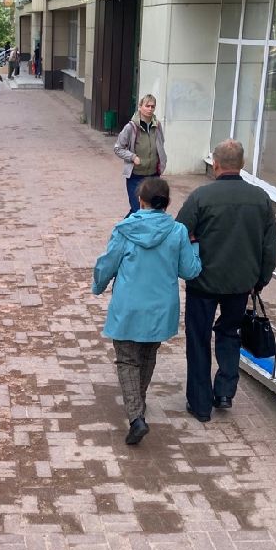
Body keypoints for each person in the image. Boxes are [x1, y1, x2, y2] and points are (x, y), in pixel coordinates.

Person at [175, 139, 276, 423]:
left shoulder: (201, 197)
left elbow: (179, 233)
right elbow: (271, 247)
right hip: (241, 283)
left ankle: (199, 404)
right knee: (229, 332)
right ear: (242, 165)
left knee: (198, 339)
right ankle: (224, 391)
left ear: (216, 164)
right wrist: (260, 280)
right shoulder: (260, 198)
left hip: (203, 282)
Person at [92, 178, 201, 445]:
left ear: (140, 201)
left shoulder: (124, 230)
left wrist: (98, 285)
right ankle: (137, 405)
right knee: (148, 354)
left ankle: (136, 416)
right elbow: (190, 271)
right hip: (161, 308)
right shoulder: (178, 232)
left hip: (128, 306)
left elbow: (108, 264)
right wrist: (195, 245)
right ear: (167, 203)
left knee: (127, 359)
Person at [114, 94, 167, 215]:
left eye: (152, 106)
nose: (149, 109)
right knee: (137, 210)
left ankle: (140, 232)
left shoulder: (157, 126)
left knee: (152, 210)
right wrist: (132, 157)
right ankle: (122, 231)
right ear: (140, 107)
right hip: (135, 176)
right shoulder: (131, 127)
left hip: (153, 176)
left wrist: (162, 163)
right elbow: (118, 148)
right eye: (147, 106)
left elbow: (161, 144)